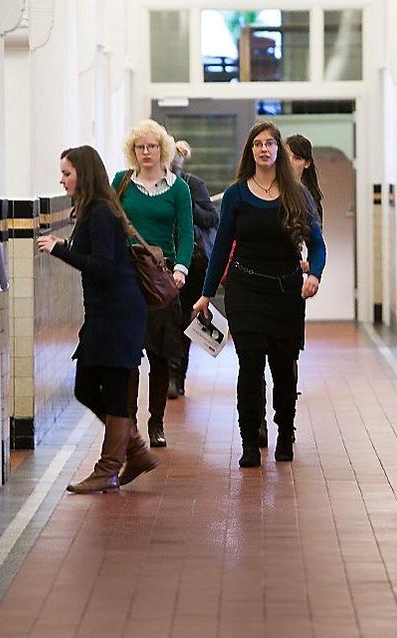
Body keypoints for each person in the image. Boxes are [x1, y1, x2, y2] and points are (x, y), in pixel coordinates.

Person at [193, 121, 326, 468]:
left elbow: (317, 244)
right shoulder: (237, 194)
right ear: (250, 151)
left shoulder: (298, 194)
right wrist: (206, 294)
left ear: (279, 150)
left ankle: (285, 432)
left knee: (283, 368)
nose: (264, 149)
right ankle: (249, 440)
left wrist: (314, 274)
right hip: (245, 289)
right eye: (257, 144)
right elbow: (221, 248)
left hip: (285, 291)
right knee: (250, 367)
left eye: (270, 143)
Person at [36, 146, 159, 493]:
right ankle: (134, 450)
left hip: (118, 314)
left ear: (83, 175)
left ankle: (109, 469)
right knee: (85, 386)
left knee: (115, 392)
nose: (61, 180)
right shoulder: (91, 211)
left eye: (67, 174)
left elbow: (104, 268)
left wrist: (61, 250)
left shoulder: (102, 212)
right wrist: (67, 245)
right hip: (105, 314)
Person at [113, 120, 194, 448]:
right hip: (127, 277)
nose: (146, 153)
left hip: (161, 278)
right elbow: (110, 224)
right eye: (140, 147)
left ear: (163, 149)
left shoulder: (178, 188)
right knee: (129, 354)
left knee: (160, 355)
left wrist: (181, 270)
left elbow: (186, 233)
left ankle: (156, 422)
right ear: (133, 152)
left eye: (152, 146)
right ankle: (130, 422)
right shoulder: (121, 182)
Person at [167, 140, 219, 399]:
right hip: (161, 262)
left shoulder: (192, 184)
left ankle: (177, 377)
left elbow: (212, 218)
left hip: (193, 263)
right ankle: (168, 374)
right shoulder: (152, 188)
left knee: (183, 319)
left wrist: (186, 202)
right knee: (165, 321)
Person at [285, 134, 324, 223]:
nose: (289, 162)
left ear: (307, 163)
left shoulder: (310, 201)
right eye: (286, 156)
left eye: (297, 158)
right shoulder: (269, 192)